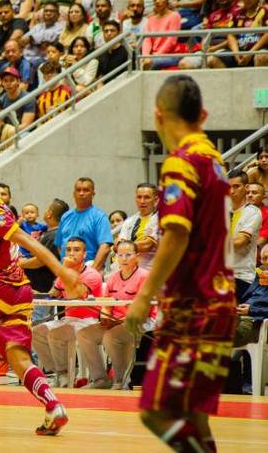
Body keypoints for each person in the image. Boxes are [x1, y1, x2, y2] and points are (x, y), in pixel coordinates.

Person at [126, 75, 235, 453]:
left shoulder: (181, 162)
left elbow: (175, 233)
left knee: (156, 412)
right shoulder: (215, 160)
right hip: (222, 304)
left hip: (193, 305)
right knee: (194, 415)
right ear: (202, 115)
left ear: (158, 115)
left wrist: (143, 296)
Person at [0, 161, 86, 435]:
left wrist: (62, 272)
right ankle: (53, 406)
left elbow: (26, 240)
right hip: (17, 292)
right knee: (18, 357)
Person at [78, 240, 151, 389]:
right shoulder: (112, 277)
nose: (124, 259)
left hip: (138, 321)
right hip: (114, 321)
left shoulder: (145, 276)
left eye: (128, 255)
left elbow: (142, 309)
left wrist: (116, 322)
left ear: (137, 256)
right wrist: (105, 317)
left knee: (111, 336)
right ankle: (100, 379)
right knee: (85, 334)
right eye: (120, 255)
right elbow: (106, 303)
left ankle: (119, 380)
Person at [33, 237, 104, 388]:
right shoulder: (64, 274)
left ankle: (65, 373)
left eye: (77, 250)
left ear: (85, 254)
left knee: (55, 333)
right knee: (37, 332)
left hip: (88, 321)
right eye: (69, 249)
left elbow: (73, 296)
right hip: (68, 319)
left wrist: (64, 269)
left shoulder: (93, 275)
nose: (72, 253)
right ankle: (59, 373)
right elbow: (52, 294)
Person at [55, 177, 113, 272]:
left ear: (93, 194)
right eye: (78, 190)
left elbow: (105, 247)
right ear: (74, 194)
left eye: (86, 190)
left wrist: (92, 272)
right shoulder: (66, 216)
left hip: (88, 270)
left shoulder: (99, 216)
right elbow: (59, 245)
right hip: (66, 272)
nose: (81, 193)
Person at [229, 170, 262, 301]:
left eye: (236, 186)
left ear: (246, 187)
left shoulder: (252, 212)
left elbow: (240, 242)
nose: (231, 191)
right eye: (229, 187)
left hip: (240, 276)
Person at [118, 183, 159, 270]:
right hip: (128, 270)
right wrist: (121, 245)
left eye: (147, 197)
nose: (142, 201)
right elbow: (116, 246)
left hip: (150, 270)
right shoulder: (129, 221)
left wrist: (123, 246)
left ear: (156, 200)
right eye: (139, 197)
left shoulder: (160, 219)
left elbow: (147, 246)